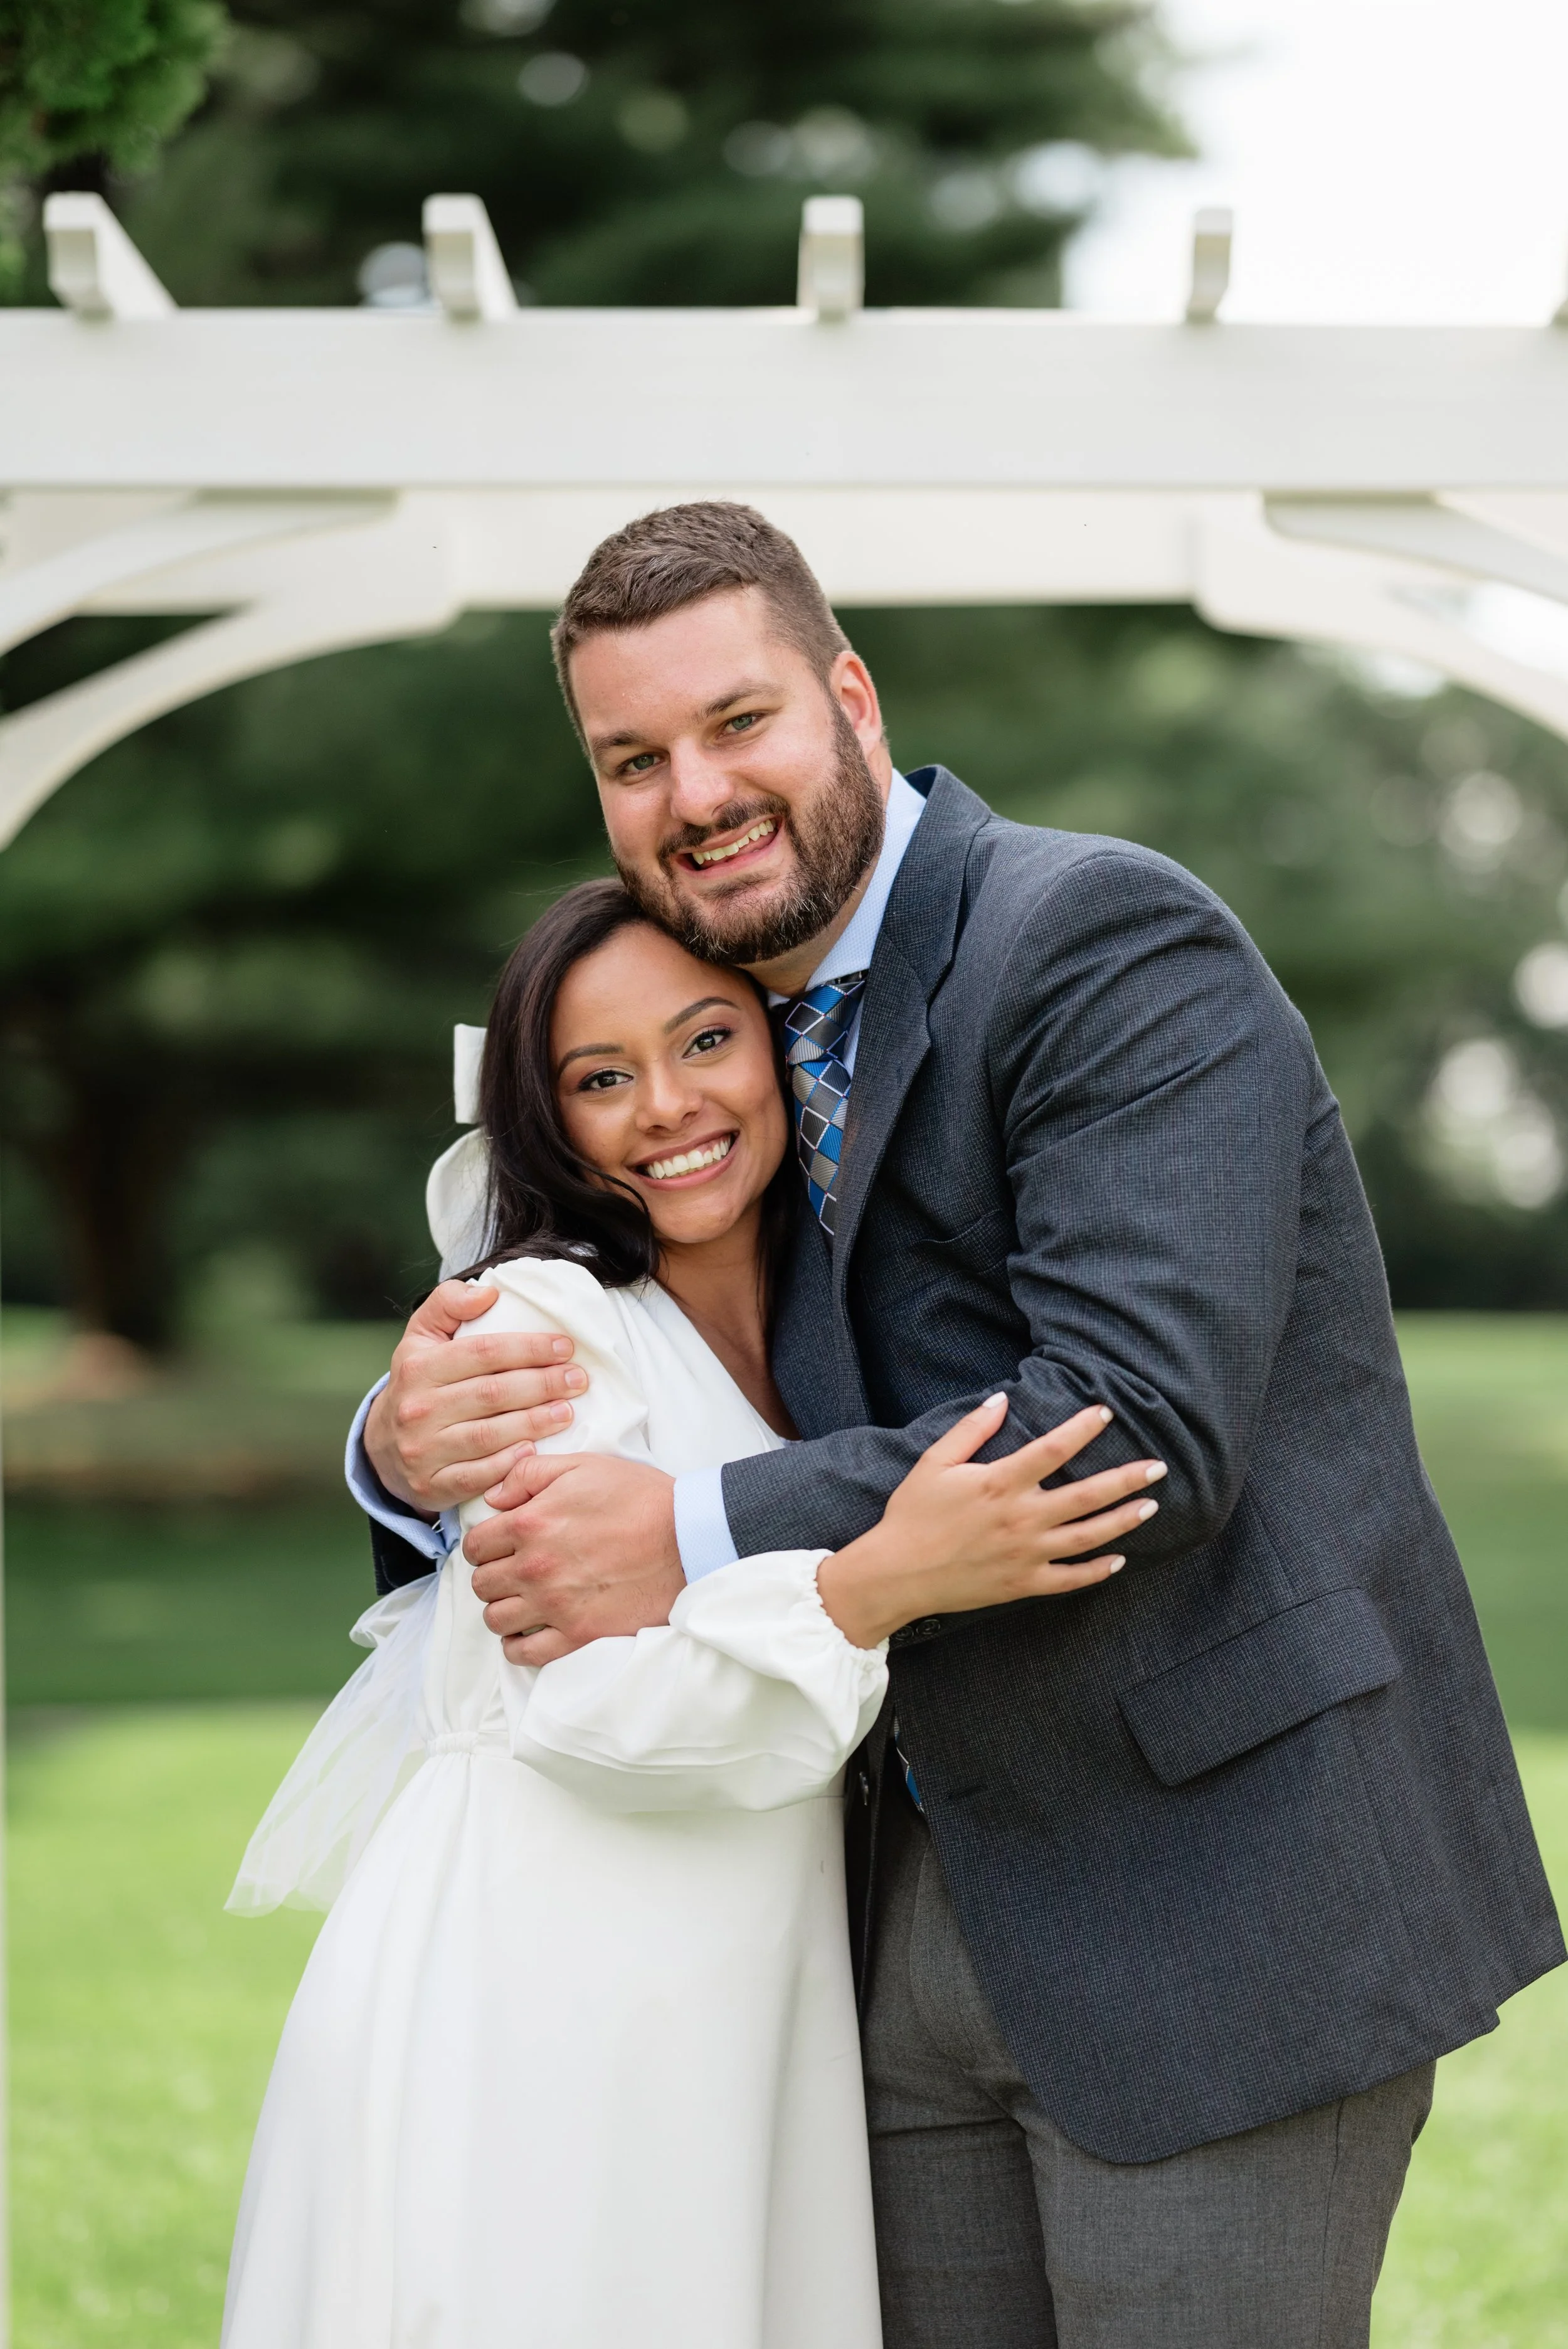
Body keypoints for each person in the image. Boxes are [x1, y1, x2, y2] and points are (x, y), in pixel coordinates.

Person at [354, 503, 1564, 2349]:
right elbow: (622, 1333)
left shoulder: (1097, 936)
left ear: (848, 695)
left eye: (735, 721)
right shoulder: (717, 1035)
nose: (692, 791)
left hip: (1210, 1888)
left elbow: (1127, 1419)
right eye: (631, 759)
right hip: (891, 1912)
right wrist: (406, 1440)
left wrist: (683, 1528)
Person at [224, 881, 1162, 2349]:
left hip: (730, 1988)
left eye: (705, 1040)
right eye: (600, 1078)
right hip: (550, 1988)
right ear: (546, 1123)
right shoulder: (537, 1326)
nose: (666, 1107)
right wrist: (873, 1584)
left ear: (785, 1046)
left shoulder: (837, 1327)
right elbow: (594, 1706)